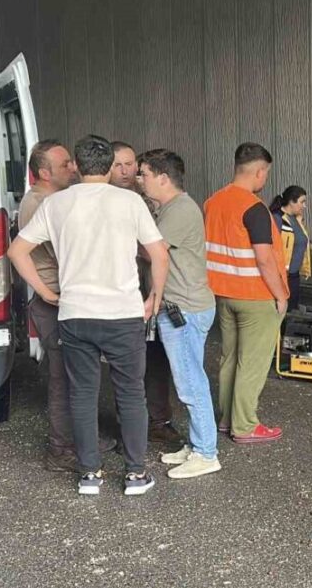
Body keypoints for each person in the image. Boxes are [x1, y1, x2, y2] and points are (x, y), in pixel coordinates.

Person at [8, 135, 170, 496]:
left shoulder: (56, 204)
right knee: (131, 394)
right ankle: (135, 474)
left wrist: (46, 292)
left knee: (81, 394)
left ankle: (89, 475)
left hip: (75, 314)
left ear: (78, 167)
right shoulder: (129, 201)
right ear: (110, 166)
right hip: (123, 314)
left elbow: (17, 251)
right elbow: (159, 253)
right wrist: (154, 297)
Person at [19, 140, 119, 472]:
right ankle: (61, 450)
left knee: (77, 376)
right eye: (65, 165)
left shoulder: (52, 200)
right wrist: (45, 292)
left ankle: (82, 439)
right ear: (44, 173)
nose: (74, 168)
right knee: (63, 378)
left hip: (62, 299)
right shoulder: (42, 205)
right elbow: (66, 253)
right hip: (56, 301)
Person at [138, 149, 222, 479]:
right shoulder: (170, 208)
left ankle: (206, 453)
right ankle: (198, 443)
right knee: (188, 379)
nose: (140, 179)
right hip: (180, 307)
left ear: (163, 178)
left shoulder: (181, 209)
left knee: (190, 383)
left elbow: (151, 251)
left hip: (183, 309)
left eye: (144, 174)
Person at [204, 142, 287, 444]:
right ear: (260, 171)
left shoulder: (213, 202)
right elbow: (264, 258)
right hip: (256, 296)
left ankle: (227, 419)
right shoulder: (254, 208)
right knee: (252, 363)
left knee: (230, 358)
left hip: (223, 294)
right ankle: (245, 425)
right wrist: (280, 295)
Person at [112, 141, 180, 447]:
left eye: (131, 165)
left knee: (156, 356)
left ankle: (158, 421)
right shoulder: (104, 200)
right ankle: (127, 426)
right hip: (121, 290)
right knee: (124, 362)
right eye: (118, 165)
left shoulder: (151, 200)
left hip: (151, 285)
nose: (126, 171)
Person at [270, 185, 311, 312]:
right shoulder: (277, 219)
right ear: (291, 202)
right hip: (282, 276)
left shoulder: (295, 219)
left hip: (294, 276)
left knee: (291, 310)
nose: (304, 206)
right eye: (302, 202)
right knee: (282, 312)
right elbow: (270, 248)